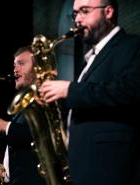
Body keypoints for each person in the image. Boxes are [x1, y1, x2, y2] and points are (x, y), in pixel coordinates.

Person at [39, 0, 140, 185]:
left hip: (111, 167)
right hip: (84, 166)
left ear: (108, 12)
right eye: (75, 14)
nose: (77, 19)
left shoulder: (133, 46)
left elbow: (131, 90)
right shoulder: (92, 58)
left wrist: (70, 90)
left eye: (84, 11)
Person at [0, 46, 45, 185]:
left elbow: (41, 135)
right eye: (14, 65)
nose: (15, 70)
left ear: (38, 67)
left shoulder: (45, 97)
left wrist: (5, 126)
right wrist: (7, 171)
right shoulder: (24, 103)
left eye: (21, 64)